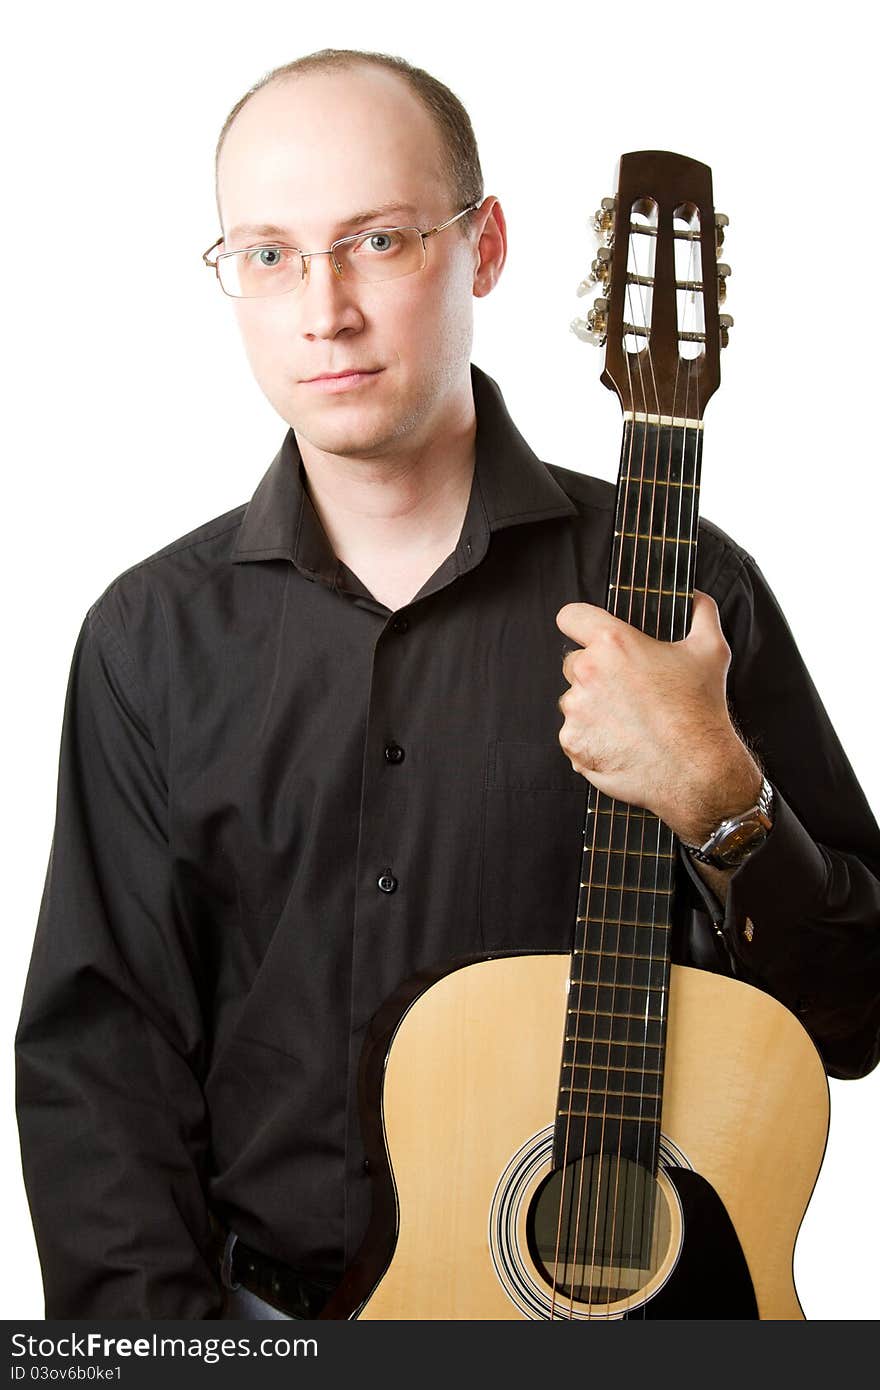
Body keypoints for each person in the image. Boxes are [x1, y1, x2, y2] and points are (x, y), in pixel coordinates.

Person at [15, 48, 880, 1321]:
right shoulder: (151, 638)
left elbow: (851, 1021)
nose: (324, 309)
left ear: (483, 248)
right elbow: (102, 1071)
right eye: (268, 254)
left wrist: (721, 796)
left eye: (375, 239)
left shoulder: (688, 590)